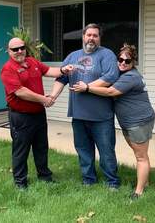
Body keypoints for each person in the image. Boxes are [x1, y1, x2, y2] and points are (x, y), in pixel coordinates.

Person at [72, 43, 155, 199]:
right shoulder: (123, 74)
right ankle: (145, 182)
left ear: (134, 63)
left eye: (127, 61)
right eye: (120, 59)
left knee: (141, 156)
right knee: (141, 153)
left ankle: (139, 192)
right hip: (130, 121)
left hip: (139, 121)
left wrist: (87, 88)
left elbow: (111, 91)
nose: (122, 63)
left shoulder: (131, 77)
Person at [50, 23, 121, 189]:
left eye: (95, 35)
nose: (91, 38)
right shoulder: (73, 56)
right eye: (89, 35)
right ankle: (89, 179)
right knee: (83, 150)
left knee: (106, 151)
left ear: (99, 38)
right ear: (83, 37)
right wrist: (52, 97)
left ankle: (112, 182)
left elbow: (111, 76)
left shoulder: (106, 54)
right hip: (78, 114)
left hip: (101, 115)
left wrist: (87, 87)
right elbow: (61, 78)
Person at [0, 37, 73, 189]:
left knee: (41, 146)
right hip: (21, 116)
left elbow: (48, 71)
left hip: (38, 114)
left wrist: (62, 70)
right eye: (15, 49)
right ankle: (20, 182)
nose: (19, 51)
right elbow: (20, 92)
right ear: (9, 51)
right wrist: (43, 99)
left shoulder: (32, 62)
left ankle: (45, 176)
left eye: (22, 47)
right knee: (21, 149)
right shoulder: (8, 69)